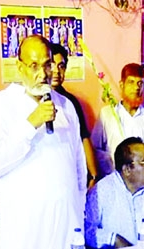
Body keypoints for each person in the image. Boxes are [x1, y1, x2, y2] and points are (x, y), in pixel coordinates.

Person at [0, 35, 86, 249]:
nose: (43, 73)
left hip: (65, 224)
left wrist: (78, 208)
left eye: (48, 64)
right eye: (34, 65)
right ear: (19, 67)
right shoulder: (2, 104)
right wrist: (32, 122)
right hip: (25, 230)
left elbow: (78, 163)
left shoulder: (66, 105)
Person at [91, 63, 144, 178]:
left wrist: (143, 167)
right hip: (114, 177)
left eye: (140, 83)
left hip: (142, 179)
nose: (136, 87)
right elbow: (95, 148)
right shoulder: (107, 114)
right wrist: (114, 165)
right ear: (121, 84)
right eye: (131, 82)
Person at [50, 43, 99, 188]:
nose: (56, 72)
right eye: (52, 65)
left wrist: (93, 174)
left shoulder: (71, 102)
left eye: (61, 66)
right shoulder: (35, 98)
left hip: (71, 169)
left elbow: (83, 137)